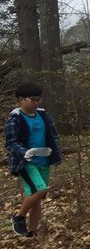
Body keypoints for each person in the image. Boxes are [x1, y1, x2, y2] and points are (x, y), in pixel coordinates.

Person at [6, 81, 63, 238]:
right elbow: (11, 143)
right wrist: (24, 152)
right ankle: (18, 217)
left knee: (37, 199)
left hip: (44, 160)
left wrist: (55, 152)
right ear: (21, 100)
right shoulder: (15, 118)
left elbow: (53, 135)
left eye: (38, 99)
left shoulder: (43, 115)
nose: (36, 102)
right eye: (32, 99)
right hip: (26, 162)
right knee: (40, 189)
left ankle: (31, 232)